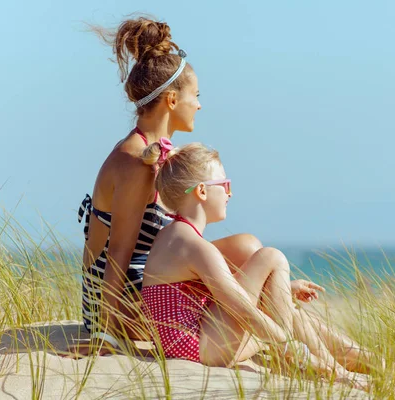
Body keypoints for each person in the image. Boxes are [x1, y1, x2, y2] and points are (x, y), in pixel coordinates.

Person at [72, 17, 264, 356]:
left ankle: (339, 352)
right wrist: (105, 334)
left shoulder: (163, 154)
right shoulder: (135, 163)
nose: (200, 105)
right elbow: (117, 253)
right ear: (173, 100)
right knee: (254, 284)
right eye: (197, 95)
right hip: (120, 301)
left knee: (250, 248)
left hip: (154, 283)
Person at [130, 141, 379, 382]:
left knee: (290, 313)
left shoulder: (174, 236)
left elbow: (217, 296)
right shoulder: (195, 247)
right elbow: (242, 309)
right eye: (225, 185)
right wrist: (287, 346)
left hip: (193, 345)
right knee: (271, 257)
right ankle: (335, 371)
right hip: (203, 349)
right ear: (202, 191)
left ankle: (370, 365)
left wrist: (282, 291)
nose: (230, 192)